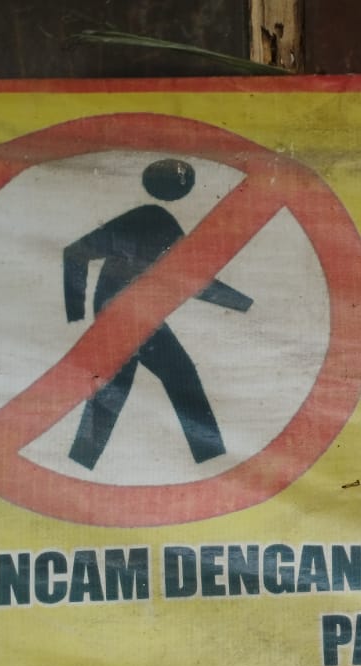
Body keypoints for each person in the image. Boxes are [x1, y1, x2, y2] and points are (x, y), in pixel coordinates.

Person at [62, 157, 253, 470]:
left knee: (115, 391)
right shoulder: (154, 219)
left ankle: (80, 464)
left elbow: (189, 278)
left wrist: (243, 304)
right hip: (126, 318)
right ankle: (212, 460)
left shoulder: (156, 219)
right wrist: (75, 314)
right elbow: (75, 254)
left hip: (130, 317)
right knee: (179, 378)